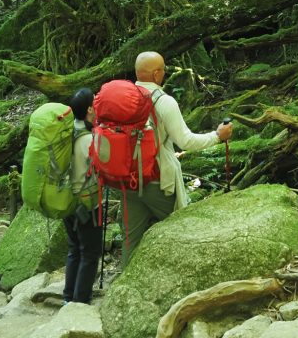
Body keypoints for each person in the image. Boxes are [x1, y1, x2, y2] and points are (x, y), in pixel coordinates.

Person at [123, 51, 232, 264]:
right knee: (182, 225)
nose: (165, 73)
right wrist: (217, 136)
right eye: (163, 69)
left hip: (125, 177)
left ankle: (122, 285)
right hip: (155, 178)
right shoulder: (164, 102)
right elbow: (186, 142)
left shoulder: (123, 97)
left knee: (130, 238)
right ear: (156, 74)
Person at [63, 87, 103, 304]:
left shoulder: (66, 131)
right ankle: (80, 302)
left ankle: (68, 297)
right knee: (90, 253)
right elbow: (103, 164)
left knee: (74, 249)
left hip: (67, 200)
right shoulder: (89, 139)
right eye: (95, 102)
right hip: (87, 203)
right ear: (89, 109)